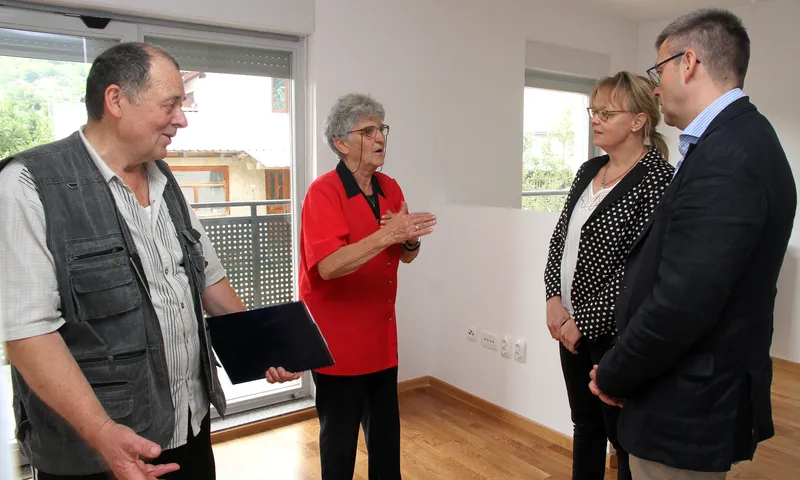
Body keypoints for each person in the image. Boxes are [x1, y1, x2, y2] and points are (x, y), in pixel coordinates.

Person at [0, 42, 297, 480]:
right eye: (171, 104)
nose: (181, 118)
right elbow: (28, 333)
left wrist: (260, 343)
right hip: (99, 450)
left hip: (187, 428)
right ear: (117, 100)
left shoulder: (166, 179)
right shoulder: (28, 184)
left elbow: (207, 279)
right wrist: (103, 433)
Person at [590, 9, 797, 479]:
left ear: (688, 63)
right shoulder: (731, 141)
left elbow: (683, 301)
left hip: (685, 402)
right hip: (676, 391)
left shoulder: (731, 155)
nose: (656, 86)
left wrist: (616, 371)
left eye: (657, 71)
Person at [298, 93, 436, 479]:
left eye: (382, 129)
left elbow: (406, 255)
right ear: (341, 144)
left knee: (386, 443)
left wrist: (409, 239)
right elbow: (327, 266)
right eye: (369, 130)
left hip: (380, 338)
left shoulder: (390, 186)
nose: (380, 138)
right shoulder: (324, 192)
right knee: (339, 445)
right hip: (337, 342)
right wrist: (389, 235)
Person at [544, 72, 673, 479]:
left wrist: (583, 321)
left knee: (623, 438)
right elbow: (561, 239)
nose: (595, 119)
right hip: (568, 325)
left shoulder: (657, 180)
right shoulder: (589, 169)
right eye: (593, 111)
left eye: (606, 112)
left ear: (638, 120)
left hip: (615, 333)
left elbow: (639, 270)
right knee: (585, 425)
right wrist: (553, 299)